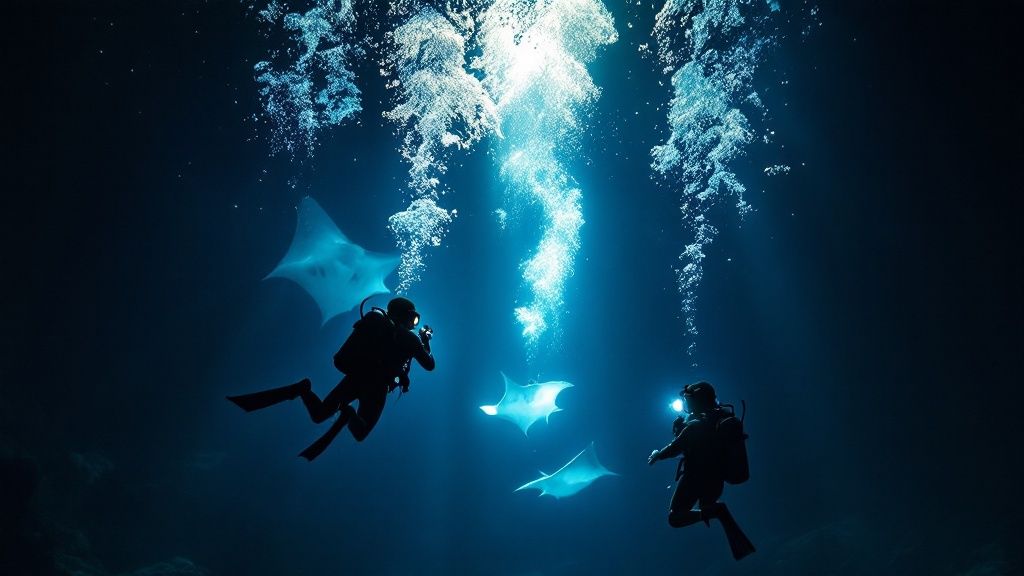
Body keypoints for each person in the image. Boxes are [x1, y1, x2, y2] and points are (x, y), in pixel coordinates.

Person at [227, 297, 435, 460]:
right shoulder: (411, 339)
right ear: (405, 315)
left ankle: (303, 389)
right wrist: (425, 341)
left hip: (356, 377)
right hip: (377, 387)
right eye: (413, 317)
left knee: (319, 415)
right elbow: (429, 365)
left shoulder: (375, 325)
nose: (413, 322)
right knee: (360, 432)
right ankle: (348, 413)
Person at [648, 381, 755, 560]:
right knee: (704, 507)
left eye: (688, 399)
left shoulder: (695, 425)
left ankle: (719, 512)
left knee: (675, 518)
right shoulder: (719, 418)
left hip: (695, 477)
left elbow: (675, 448)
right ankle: (719, 514)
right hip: (716, 479)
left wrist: (657, 455)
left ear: (696, 400)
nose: (685, 403)